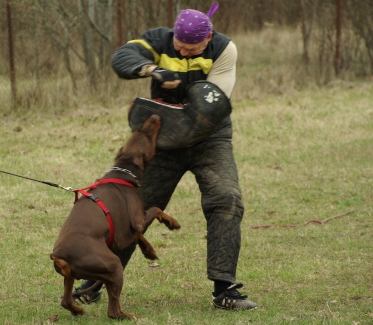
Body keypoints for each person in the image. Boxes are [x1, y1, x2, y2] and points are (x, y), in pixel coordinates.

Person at [74, 2, 257, 310]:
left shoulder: (225, 49)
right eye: (179, 47)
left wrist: (181, 86)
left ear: (208, 38)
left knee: (226, 199)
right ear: (173, 36)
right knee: (132, 212)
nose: (184, 52)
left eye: (193, 48)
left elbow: (211, 105)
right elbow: (122, 58)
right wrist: (152, 69)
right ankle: (95, 281)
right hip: (163, 141)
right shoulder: (158, 40)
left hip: (209, 137)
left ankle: (225, 288)